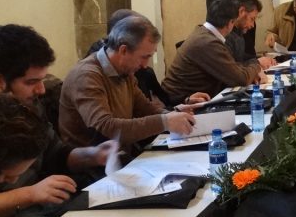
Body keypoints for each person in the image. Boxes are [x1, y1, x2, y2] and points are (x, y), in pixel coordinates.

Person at [0, 24, 117, 217]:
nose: (41, 90)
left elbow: (54, 153)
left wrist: (92, 155)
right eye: (31, 82)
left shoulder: (25, 103)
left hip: (42, 206)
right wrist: (30, 194)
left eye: (41, 80)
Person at [59, 15, 207, 151]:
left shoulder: (125, 72)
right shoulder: (86, 76)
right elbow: (106, 127)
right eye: (144, 57)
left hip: (121, 156)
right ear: (123, 50)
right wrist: (165, 121)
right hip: (94, 165)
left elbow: (146, 109)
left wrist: (176, 115)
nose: (145, 65)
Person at [162, 0, 268, 103]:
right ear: (230, 23)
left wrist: (250, 70)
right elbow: (241, 79)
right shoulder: (208, 42)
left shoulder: (203, 33)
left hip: (187, 98)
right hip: (177, 103)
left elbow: (231, 67)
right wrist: (256, 67)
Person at [86, 9, 171, 107]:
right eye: (139, 32)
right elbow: (104, 119)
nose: (144, 65)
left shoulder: (130, 72)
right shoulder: (90, 75)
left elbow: (146, 108)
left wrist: (174, 111)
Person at [225, 0, 278, 69]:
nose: (253, 25)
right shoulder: (225, 34)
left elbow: (241, 57)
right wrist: (258, 62)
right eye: (252, 19)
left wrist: (262, 59)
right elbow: (231, 68)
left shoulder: (238, 32)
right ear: (241, 11)